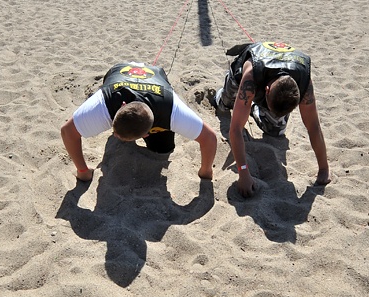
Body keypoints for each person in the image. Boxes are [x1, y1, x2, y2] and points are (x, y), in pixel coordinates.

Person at [61, 63, 218, 182]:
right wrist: (82, 171)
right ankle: (123, 128)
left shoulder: (172, 111)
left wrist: (205, 171)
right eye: (114, 130)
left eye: (117, 135)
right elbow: (67, 131)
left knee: (164, 149)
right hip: (118, 71)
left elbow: (209, 137)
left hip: (157, 76)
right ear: (121, 107)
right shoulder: (104, 104)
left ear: (148, 133)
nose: (114, 134)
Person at [214, 41, 331, 196]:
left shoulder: (304, 81)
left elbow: (314, 126)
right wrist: (243, 172)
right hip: (244, 73)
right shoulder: (251, 77)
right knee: (225, 104)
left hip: (272, 78)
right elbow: (235, 129)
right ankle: (227, 95)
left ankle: (250, 108)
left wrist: (323, 169)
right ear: (266, 91)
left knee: (275, 130)